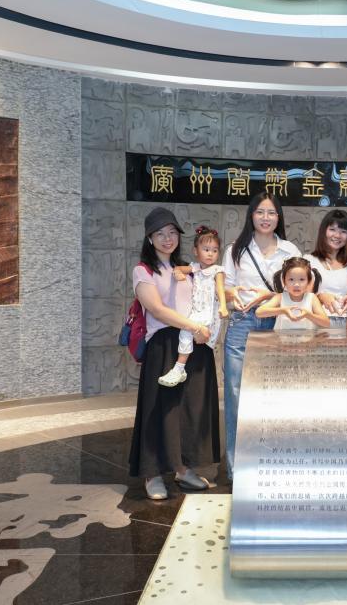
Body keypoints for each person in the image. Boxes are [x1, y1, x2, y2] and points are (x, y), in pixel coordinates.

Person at [129, 207, 220, 501]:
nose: (167, 238)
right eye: (160, 233)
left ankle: (182, 468)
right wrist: (193, 326)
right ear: (149, 238)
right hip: (165, 345)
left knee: (188, 410)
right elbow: (156, 309)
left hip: (194, 345)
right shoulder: (143, 270)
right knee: (160, 410)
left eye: (172, 232)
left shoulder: (186, 269)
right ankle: (153, 474)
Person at [222, 192, 300, 479]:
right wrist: (235, 295)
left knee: (276, 395)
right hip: (243, 324)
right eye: (260, 212)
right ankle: (237, 467)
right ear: (251, 215)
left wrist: (268, 295)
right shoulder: (236, 250)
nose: (266, 218)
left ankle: (273, 461)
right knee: (236, 394)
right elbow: (225, 289)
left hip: (279, 323)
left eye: (271, 213)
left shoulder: (290, 250)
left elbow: (300, 288)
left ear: (279, 217)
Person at [158, 226, 229, 387]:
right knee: (186, 333)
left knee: (186, 331)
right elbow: (179, 268)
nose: (210, 254)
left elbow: (220, 290)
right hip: (196, 311)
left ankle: (179, 367)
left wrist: (223, 307)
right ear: (195, 251)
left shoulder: (217, 270)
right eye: (206, 249)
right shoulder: (195, 268)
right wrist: (177, 272)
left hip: (208, 313)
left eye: (214, 250)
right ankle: (181, 369)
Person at [304, 209, 347, 326]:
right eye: (332, 229)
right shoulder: (308, 261)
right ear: (324, 231)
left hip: (346, 324)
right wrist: (321, 297)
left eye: (343, 231)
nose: (337, 235)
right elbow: (301, 294)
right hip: (315, 323)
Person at [257, 257, 330, 330]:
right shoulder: (280, 297)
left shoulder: (312, 298)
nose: (296, 284)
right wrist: (283, 311)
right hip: (283, 337)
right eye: (291, 279)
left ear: (308, 281)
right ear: (284, 281)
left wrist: (308, 315)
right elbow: (259, 312)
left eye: (302, 279)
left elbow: (326, 323)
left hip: (308, 337)